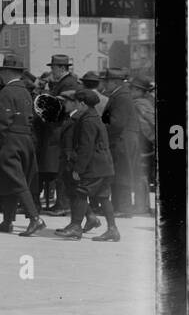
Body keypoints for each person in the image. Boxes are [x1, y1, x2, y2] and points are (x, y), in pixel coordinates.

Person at [0, 54, 46, 236]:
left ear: (6, 72)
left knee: (15, 179)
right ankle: (7, 221)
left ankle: (35, 218)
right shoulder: (25, 91)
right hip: (25, 139)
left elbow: (3, 121)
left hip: (10, 141)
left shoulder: (7, 92)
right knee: (12, 179)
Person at [55, 89, 120, 241]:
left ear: (82, 103)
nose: (76, 105)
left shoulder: (87, 121)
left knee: (80, 192)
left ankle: (76, 227)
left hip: (94, 166)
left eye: (77, 102)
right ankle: (112, 230)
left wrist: (78, 169)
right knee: (103, 197)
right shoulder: (94, 117)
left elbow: (86, 147)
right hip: (104, 165)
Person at [37, 54, 83, 214]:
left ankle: (63, 204)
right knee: (59, 168)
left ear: (62, 68)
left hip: (61, 130)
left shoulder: (68, 83)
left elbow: (58, 107)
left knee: (61, 167)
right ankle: (62, 203)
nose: (52, 71)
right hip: (59, 129)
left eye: (54, 68)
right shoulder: (64, 82)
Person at [101, 67, 139, 216]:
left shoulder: (121, 96)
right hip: (123, 139)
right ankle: (119, 207)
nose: (105, 84)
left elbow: (117, 123)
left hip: (123, 140)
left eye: (107, 81)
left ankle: (124, 208)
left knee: (122, 172)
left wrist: (101, 129)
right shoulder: (119, 94)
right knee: (119, 172)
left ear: (115, 82)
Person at [131, 73, 156, 214]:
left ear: (141, 91)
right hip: (147, 144)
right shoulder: (147, 102)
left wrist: (149, 138)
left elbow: (147, 126)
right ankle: (142, 204)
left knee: (141, 175)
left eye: (134, 89)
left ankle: (142, 206)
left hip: (143, 144)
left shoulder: (140, 104)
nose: (131, 91)